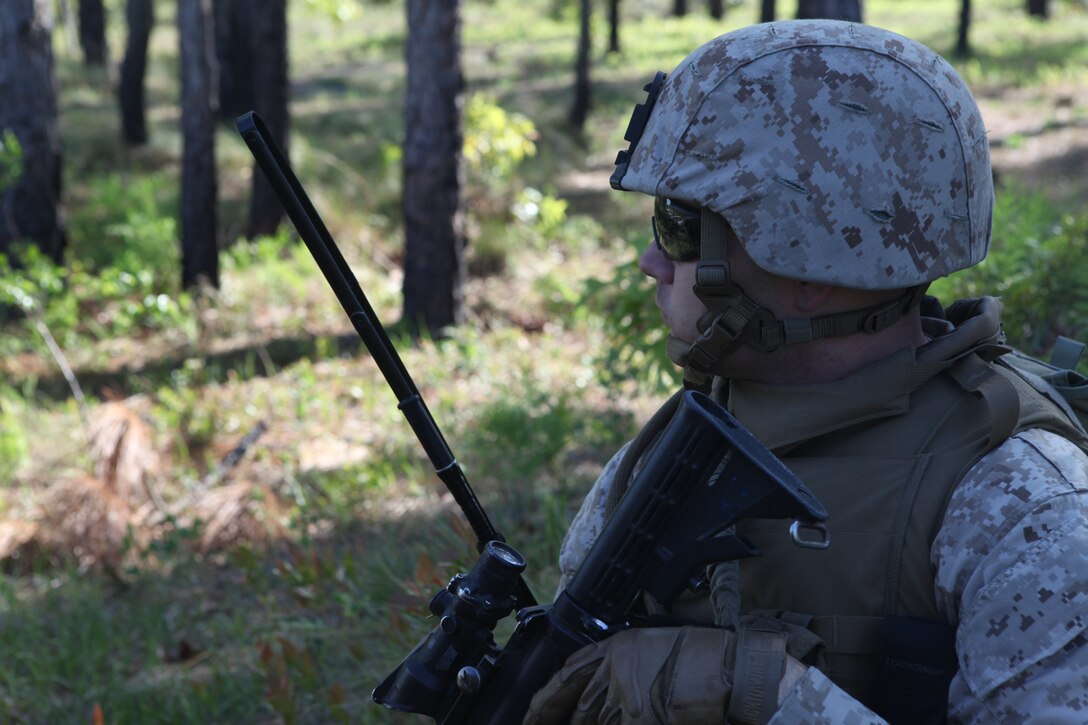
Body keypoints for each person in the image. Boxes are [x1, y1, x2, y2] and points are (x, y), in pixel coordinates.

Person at [523, 19, 1088, 725]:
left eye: (679, 227)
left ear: (805, 261)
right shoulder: (680, 450)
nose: (652, 261)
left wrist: (770, 694)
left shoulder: (1019, 504)